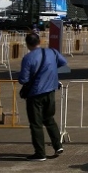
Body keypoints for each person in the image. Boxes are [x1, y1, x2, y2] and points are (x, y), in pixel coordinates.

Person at [18, 33, 68, 161]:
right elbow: (63, 62)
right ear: (40, 41)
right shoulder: (52, 52)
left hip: (35, 95)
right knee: (49, 119)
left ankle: (40, 153)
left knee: (36, 124)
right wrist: (50, 70)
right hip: (51, 91)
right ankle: (58, 145)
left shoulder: (28, 58)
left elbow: (23, 79)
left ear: (28, 44)